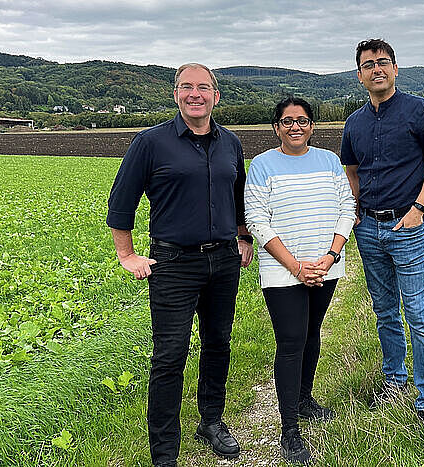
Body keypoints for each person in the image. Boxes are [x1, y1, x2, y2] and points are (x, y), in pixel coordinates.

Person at [106, 63, 253, 467]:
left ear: (216, 96)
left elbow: (238, 196)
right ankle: (164, 452)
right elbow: (121, 203)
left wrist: (243, 237)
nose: (195, 94)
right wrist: (126, 255)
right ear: (175, 94)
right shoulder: (150, 142)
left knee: (218, 343)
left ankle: (211, 421)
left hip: (223, 260)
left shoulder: (231, 143)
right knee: (170, 355)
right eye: (186, 87)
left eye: (203, 87)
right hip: (172, 263)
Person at [340, 39, 424, 423]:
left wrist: (419, 209)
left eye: (382, 62)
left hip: (408, 225)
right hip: (368, 228)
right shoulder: (354, 123)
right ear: (360, 75)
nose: (376, 69)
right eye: (368, 65)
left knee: (418, 313)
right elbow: (352, 171)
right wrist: (353, 212)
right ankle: (394, 382)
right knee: (385, 311)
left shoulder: (420, 111)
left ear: (396, 68)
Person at [244, 97, 355, 463]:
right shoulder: (262, 165)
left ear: (312, 126)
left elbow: (347, 207)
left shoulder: (328, 161)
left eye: (303, 121)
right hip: (282, 271)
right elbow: (257, 220)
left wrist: (331, 255)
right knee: (291, 341)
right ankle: (289, 429)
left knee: (312, 333)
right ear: (276, 127)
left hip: (325, 266)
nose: (296, 127)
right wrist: (295, 266)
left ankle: (305, 399)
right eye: (288, 121)